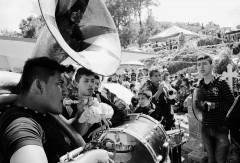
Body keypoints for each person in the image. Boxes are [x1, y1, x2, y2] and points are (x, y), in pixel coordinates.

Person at [0, 57, 113, 163]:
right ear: (39, 86)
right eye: (59, 84)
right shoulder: (21, 125)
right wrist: (92, 157)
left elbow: (70, 131)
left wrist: (81, 113)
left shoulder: (42, 112)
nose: (65, 91)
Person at [196, 54, 234, 163]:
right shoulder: (199, 85)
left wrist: (214, 105)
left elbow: (232, 104)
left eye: (204, 64)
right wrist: (196, 105)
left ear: (211, 66)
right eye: (199, 65)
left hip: (220, 128)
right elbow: (198, 106)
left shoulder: (222, 82)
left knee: (220, 160)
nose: (201, 67)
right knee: (211, 159)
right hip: (205, 128)